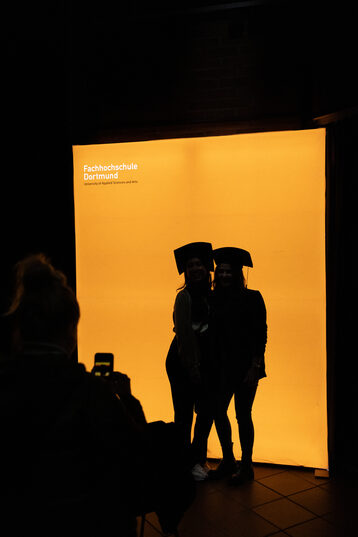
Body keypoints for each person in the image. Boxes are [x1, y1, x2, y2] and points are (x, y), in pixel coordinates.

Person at [0, 253, 194, 536]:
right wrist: (127, 399)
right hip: (86, 519)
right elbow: (136, 453)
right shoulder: (90, 392)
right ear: (70, 329)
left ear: (19, 330)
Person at [208, 247, 267, 485]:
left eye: (228, 271)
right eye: (220, 271)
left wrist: (255, 364)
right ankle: (229, 459)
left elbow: (261, 333)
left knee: (243, 415)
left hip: (245, 367)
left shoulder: (253, 297)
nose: (224, 275)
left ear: (237, 273)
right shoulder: (211, 299)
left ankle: (247, 464)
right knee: (218, 412)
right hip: (220, 366)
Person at [165, 242, 214, 481]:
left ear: (207, 268)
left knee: (205, 414)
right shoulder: (183, 297)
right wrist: (193, 367)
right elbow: (184, 333)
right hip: (182, 361)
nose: (195, 268)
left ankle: (197, 459)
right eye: (190, 265)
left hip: (204, 363)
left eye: (199, 264)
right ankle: (185, 464)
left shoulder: (212, 296)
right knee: (184, 415)